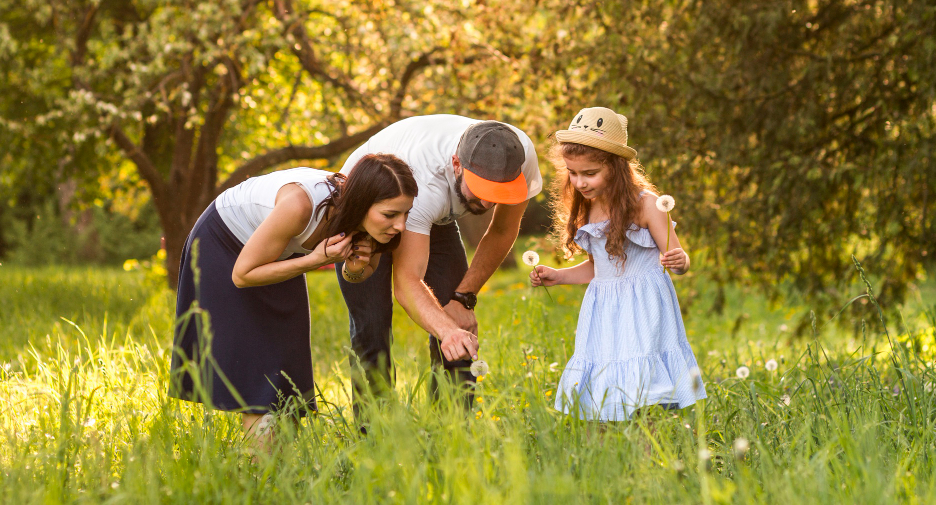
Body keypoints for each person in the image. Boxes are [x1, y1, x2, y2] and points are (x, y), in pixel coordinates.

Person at [169, 154, 478, 437]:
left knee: (287, 361)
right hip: (227, 244)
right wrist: (315, 260)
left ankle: (278, 471)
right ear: (363, 204)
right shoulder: (301, 206)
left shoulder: (369, 221)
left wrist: (355, 264)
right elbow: (243, 274)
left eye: (406, 213)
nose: (400, 225)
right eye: (390, 214)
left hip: (280, 254)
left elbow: (356, 274)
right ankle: (257, 473)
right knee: (261, 367)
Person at [336, 115, 543, 405]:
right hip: (371, 210)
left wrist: (463, 298)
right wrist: (447, 331)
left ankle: (453, 430)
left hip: (434, 215)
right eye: (482, 190)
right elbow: (407, 282)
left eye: (499, 194)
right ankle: (375, 433)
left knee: (458, 323)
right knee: (372, 327)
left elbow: (502, 229)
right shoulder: (426, 183)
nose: (487, 204)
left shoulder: (519, 156)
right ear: (457, 164)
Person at [529, 107, 706, 421]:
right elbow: (600, 266)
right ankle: (604, 452)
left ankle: (647, 451)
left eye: (589, 173)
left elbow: (676, 260)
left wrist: (681, 261)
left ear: (615, 167)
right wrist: (559, 276)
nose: (580, 182)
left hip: (644, 304)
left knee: (642, 383)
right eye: (573, 172)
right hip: (604, 307)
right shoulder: (590, 208)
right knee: (604, 377)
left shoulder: (648, 204)